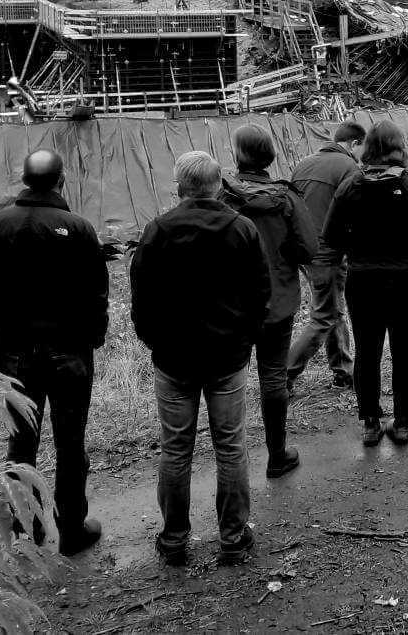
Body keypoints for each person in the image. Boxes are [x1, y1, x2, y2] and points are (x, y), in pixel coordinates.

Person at [131, 151, 270, 567]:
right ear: (218, 184)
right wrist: (244, 338)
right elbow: (260, 294)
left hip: (174, 358)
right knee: (230, 446)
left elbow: (142, 298)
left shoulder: (158, 230)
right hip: (227, 357)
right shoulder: (241, 228)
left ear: (179, 186)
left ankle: (174, 538)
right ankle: (232, 537)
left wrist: (155, 340)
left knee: (175, 448)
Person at [0, 150, 108, 557]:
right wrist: (90, 343)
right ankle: (72, 531)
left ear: (24, 180)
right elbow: (96, 296)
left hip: (12, 359)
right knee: (70, 444)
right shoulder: (79, 229)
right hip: (69, 356)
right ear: (61, 180)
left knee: (20, 447)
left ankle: (25, 531)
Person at [323, 120, 408, 447]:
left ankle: (370, 424)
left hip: (363, 280)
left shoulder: (351, 185)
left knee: (366, 351)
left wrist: (358, 244)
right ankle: (402, 423)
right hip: (407, 279)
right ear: (399, 147)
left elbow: (332, 235)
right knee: (406, 350)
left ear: (368, 149)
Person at [221, 124, 318, 478]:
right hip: (277, 302)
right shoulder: (286, 197)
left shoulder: (222, 197)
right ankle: (277, 454)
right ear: (270, 156)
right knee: (273, 378)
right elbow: (310, 248)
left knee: (228, 380)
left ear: (238, 155)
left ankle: (231, 460)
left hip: (232, 306)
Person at [285, 122, 366, 390]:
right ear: (354, 143)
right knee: (323, 317)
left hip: (303, 250)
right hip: (327, 253)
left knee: (333, 309)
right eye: (362, 148)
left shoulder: (304, 164)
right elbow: (354, 216)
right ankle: (283, 375)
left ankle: (344, 371)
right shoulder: (349, 168)